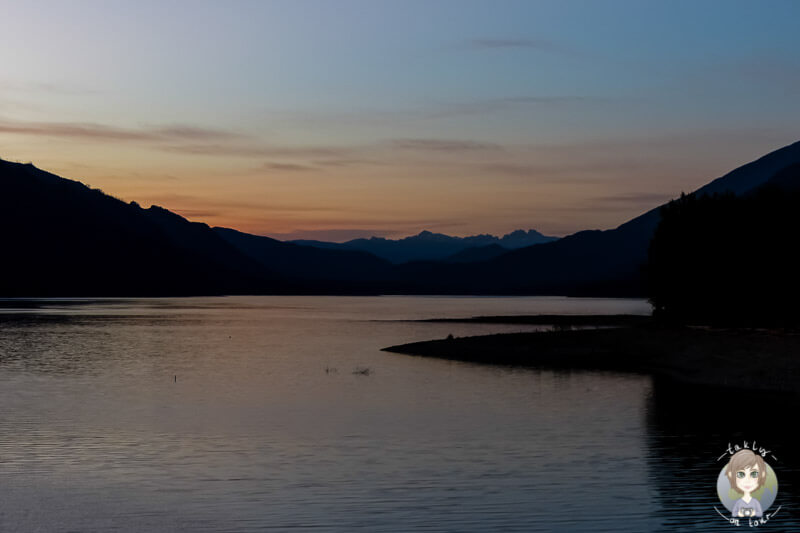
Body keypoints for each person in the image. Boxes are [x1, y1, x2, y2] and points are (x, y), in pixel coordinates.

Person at [725, 449, 767, 518]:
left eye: (754, 474)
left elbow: (760, 513)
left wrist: (754, 513)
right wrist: (739, 513)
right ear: (731, 475)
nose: (747, 480)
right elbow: (733, 514)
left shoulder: (755, 502)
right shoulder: (738, 503)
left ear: (762, 475)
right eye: (741, 474)